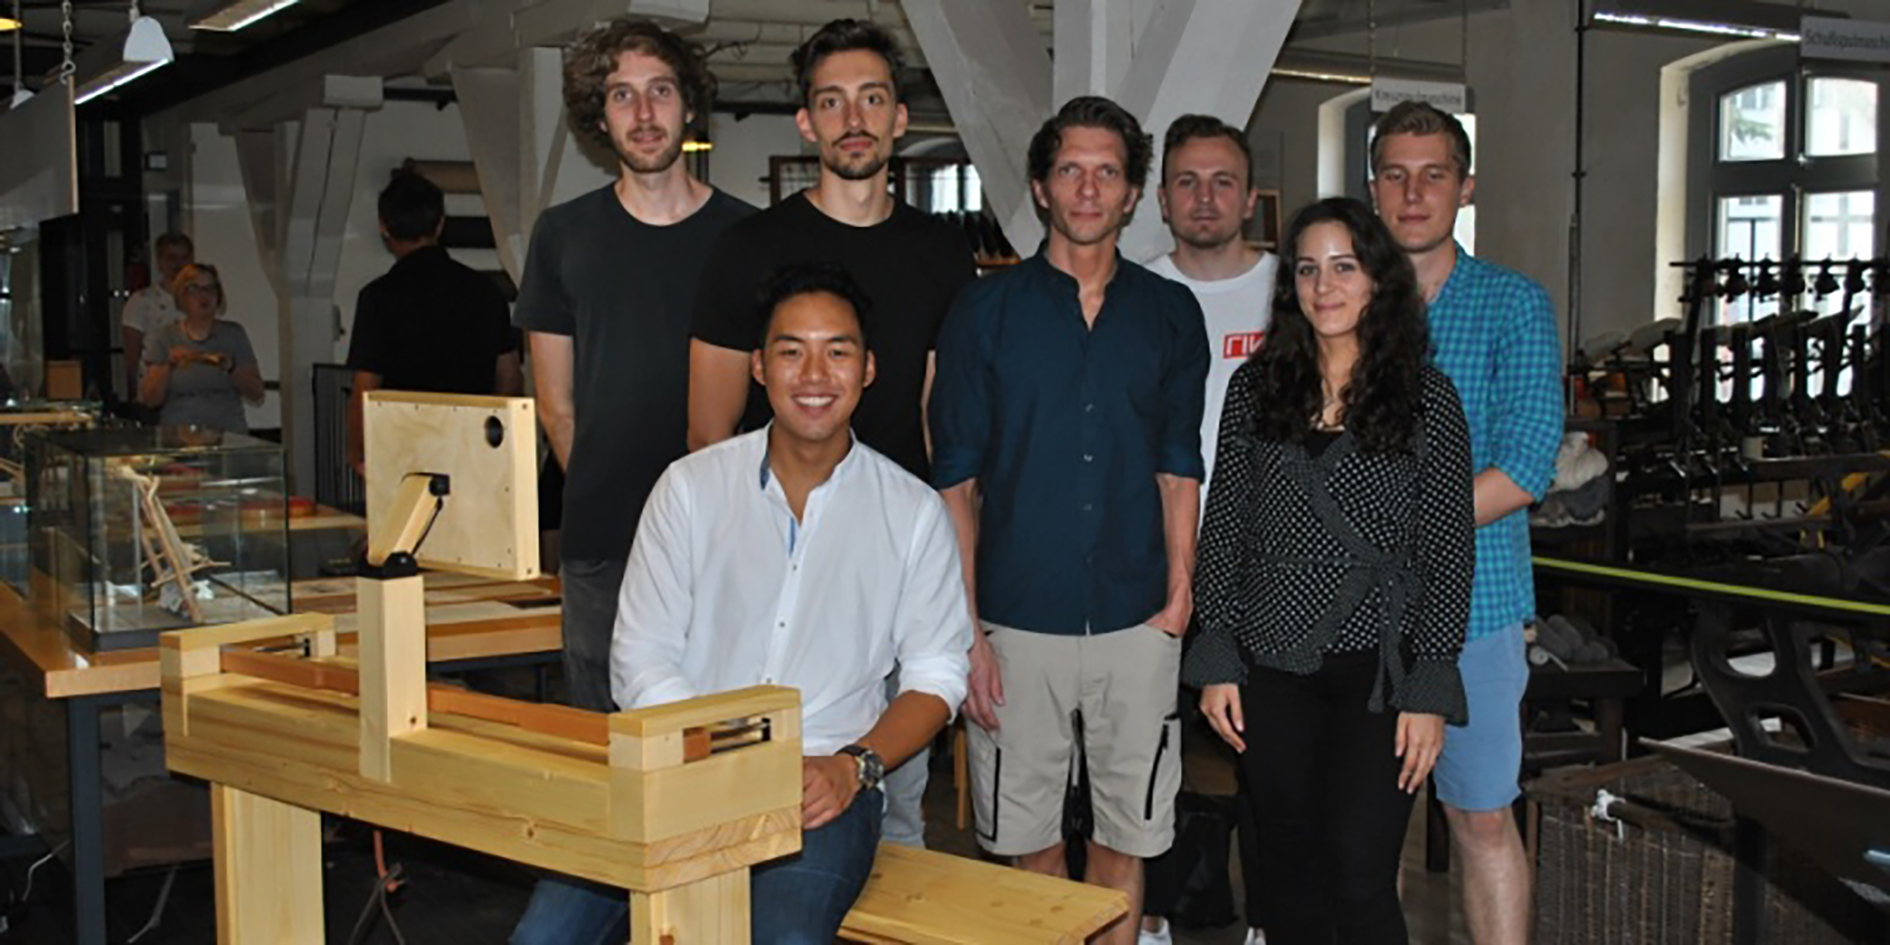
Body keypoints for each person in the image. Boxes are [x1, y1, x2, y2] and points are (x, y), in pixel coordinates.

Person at [608, 262, 969, 943]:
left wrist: (854, 766)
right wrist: (723, 759)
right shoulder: (689, 489)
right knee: (549, 932)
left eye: (838, 352)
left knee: (784, 937)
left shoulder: (912, 511)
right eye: (791, 351)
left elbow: (938, 674)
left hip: (825, 782)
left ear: (868, 369)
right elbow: (640, 658)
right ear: (758, 366)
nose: (814, 374)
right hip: (682, 768)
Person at [686, 17, 975, 850]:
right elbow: (708, 429)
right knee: (747, 811)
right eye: (832, 101)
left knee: (895, 816)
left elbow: (939, 430)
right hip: (772, 571)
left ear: (899, 119)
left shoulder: (940, 252)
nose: (854, 119)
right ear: (806, 122)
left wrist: (957, 594)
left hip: (893, 566)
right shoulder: (747, 248)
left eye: (873, 99)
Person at [930, 95, 1209, 945]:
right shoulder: (983, 313)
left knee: (1128, 839)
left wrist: (1180, 593)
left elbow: (1178, 465)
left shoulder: (1170, 314)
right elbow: (956, 484)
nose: (1088, 189)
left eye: (1107, 172)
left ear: (1133, 194)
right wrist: (967, 631)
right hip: (1017, 619)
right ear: (1042, 188)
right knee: (1032, 845)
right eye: (1070, 170)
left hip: (1138, 615)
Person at [507, 18, 754, 943]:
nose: (643, 112)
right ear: (598, 115)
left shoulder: (745, 235)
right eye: (621, 95)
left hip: (733, 544)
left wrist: (696, 526)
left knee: (722, 753)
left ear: (688, 104)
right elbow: (557, 407)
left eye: (659, 90)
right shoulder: (564, 235)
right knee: (608, 758)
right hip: (606, 542)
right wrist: (650, 526)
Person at [1188, 196, 1474, 944]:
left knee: (1359, 873)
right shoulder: (1256, 389)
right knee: (1285, 871)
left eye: (1344, 267)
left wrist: (1430, 684)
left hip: (1378, 674)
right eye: (1308, 269)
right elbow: (1225, 528)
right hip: (1269, 670)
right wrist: (1217, 653)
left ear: (1378, 278)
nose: (1325, 286)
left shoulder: (1426, 398)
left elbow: (1448, 551)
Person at [1370, 101, 1561, 945]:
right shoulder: (1340, 301)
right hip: (1355, 618)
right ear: (1373, 188)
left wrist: (1392, 526)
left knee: (1481, 816)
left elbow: (1525, 466)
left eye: (1434, 175)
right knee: (1367, 831)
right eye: (1396, 175)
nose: (1414, 194)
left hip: (1476, 612)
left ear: (1466, 186)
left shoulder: (1513, 305)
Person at [1139, 113, 1279, 945]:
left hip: (1268, 563)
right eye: (1186, 182)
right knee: (1147, 746)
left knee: (1268, 752)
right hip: (1154, 554)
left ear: (1250, 197)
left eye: (1222, 181)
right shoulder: (1136, 293)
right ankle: (1151, 913)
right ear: (1160, 199)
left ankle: (1269, 918)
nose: (1204, 197)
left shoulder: (1292, 291)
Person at [345, 171, 521, 478]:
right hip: (470, 449)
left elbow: (366, 388)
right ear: (440, 223)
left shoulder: (377, 297)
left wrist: (356, 451)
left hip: (403, 449)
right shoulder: (486, 292)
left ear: (384, 227)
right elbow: (509, 378)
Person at [139, 263, 264, 433]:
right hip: (179, 434)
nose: (203, 296)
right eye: (194, 289)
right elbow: (150, 400)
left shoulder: (233, 334)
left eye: (210, 289)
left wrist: (232, 369)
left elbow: (257, 394)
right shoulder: (164, 337)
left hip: (227, 433)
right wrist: (168, 366)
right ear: (182, 296)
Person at [122, 232, 193, 403]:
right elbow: (132, 353)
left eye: (184, 258)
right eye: (171, 258)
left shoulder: (199, 301)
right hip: (154, 393)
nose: (178, 264)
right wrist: (132, 391)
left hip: (191, 395)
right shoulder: (141, 301)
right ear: (160, 262)